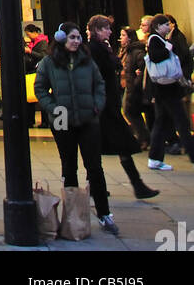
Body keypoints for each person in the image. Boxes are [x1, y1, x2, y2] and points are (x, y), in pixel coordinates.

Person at [34, 22, 117, 234]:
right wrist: (53, 108)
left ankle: (104, 213)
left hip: (88, 117)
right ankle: (71, 214)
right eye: (72, 37)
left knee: (94, 167)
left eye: (78, 37)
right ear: (61, 39)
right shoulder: (49, 62)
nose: (76, 41)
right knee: (68, 164)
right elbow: (40, 88)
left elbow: (99, 84)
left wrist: (97, 106)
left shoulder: (87, 61)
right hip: (62, 119)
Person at [87, 15, 158, 201]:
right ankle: (136, 185)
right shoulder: (95, 49)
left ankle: (96, 185)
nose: (110, 32)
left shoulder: (101, 47)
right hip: (105, 106)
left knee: (100, 147)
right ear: (97, 30)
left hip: (107, 105)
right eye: (106, 28)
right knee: (119, 144)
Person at [144, 12, 194, 172]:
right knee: (181, 122)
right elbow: (155, 57)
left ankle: (155, 159)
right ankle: (192, 154)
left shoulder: (159, 39)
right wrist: (168, 48)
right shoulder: (155, 39)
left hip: (164, 89)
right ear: (158, 26)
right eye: (166, 24)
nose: (168, 26)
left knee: (162, 123)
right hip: (166, 88)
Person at [119, 26, 150, 148]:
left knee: (130, 111)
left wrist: (136, 81)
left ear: (130, 38)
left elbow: (142, 69)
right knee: (129, 111)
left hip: (134, 86)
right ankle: (143, 136)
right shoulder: (125, 51)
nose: (120, 38)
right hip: (128, 84)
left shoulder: (136, 52)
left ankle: (144, 137)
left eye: (123, 35)